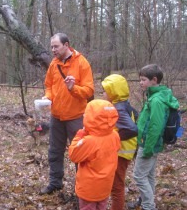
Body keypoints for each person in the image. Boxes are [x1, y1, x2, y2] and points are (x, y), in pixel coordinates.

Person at [40, 33, 94, 195]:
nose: (53, 50)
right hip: (56, 116)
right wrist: (47, 97)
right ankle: (55, 182)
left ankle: (82, 188)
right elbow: (48, 85)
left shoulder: (82, 63)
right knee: (54, 151)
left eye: (56, 46)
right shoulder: (53, 63)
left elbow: (89, 91)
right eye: (51, 47)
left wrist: (73, 88)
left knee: (79, 153)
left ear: (66, 45)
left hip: (76, 117)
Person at [131, 64, 179, 210]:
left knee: (139, 177)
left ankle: (148, 206)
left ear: (154, 80)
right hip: (151, 143)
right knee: (149, 176)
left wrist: (148, 147)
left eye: (143, 80)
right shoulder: (155, 96)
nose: (141, 83)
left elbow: (155, 127)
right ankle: (148, 204)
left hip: (149, 144)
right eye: (140, 80)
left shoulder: (157, 100)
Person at [68, 99, 121, 210]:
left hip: (89, 189)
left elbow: (73, 155)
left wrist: (80, 134)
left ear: (91, 118)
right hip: (105, 186)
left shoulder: (89, 141)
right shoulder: (114, 135)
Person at [101, 74, 138, 210]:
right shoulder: (122, 105)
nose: (103, 93)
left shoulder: (119, 109)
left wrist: (112, 138)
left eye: (105, 90)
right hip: (122, 152)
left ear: (113, 92)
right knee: (116, 185)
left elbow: (132, 129)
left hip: (121, 153)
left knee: (116, 187)